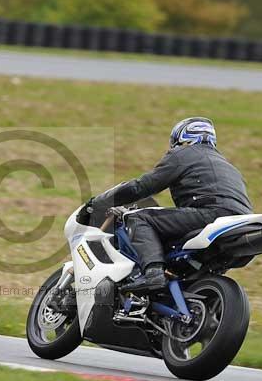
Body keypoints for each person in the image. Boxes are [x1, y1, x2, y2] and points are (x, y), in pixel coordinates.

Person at [87, 117, 252, 292]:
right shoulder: (227, 165)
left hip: (210, 214)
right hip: (241, 220)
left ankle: (153, 274)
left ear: (182, 138)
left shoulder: (184, 154)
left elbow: (142, 187)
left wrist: (102, 201)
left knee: (139, 218)